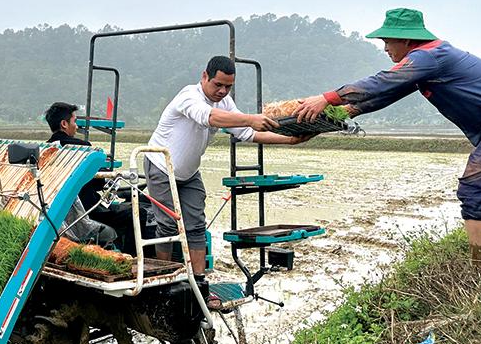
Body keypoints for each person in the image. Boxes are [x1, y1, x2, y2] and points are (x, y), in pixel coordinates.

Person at [296, 8, 481, 274]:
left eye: (387, 41)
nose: (385, 49)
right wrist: (343, 113)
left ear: (405, 39)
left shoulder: (427, 57)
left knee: (475, 191)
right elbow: (386, 93)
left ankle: (480, 276)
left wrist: (326, 98)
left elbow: (382, 82)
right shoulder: (431, 60)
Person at [144, 55, 309, 299]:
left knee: (196, 225)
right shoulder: (189, 96)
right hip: (160, 165)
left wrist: (290, 140)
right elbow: (210, 117)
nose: (222, 91)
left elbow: (247, 133)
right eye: (218, 85)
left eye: (228, 86)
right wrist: (250, 118)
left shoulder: (225, 102)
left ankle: (199, 286)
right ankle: (162, 283)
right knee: (168, 225)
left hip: (189, 173)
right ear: (204, 77)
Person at [44, 101, 150, 251]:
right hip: (88, 212)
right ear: (64, 124)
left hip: (61, 214)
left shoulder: (46, 149)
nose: (76, 126)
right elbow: (99, 184)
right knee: (137, 213)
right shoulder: (83, 148)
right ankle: (132, 258)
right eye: (74, 121)